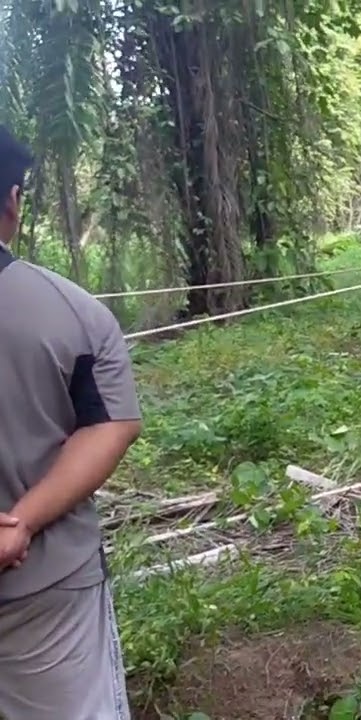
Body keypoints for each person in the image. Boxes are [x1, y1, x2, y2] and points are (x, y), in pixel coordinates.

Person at [0, 125, 142, 718]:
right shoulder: (70, 313)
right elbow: (112, 424)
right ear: (13, 201)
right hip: (43, 591)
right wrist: (21, 522)